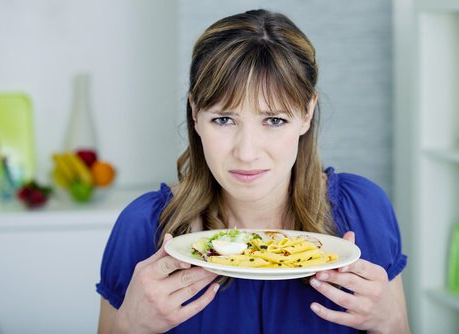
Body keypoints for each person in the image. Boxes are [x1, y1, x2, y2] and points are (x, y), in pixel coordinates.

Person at [96, 9, 409, 334]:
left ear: (307, 113)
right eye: (223, 119)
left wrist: (391, 323)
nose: (246, 153)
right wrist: (129, 327)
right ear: (194, 113)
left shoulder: (364, 210)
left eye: (274, 120)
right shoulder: (142, 227)